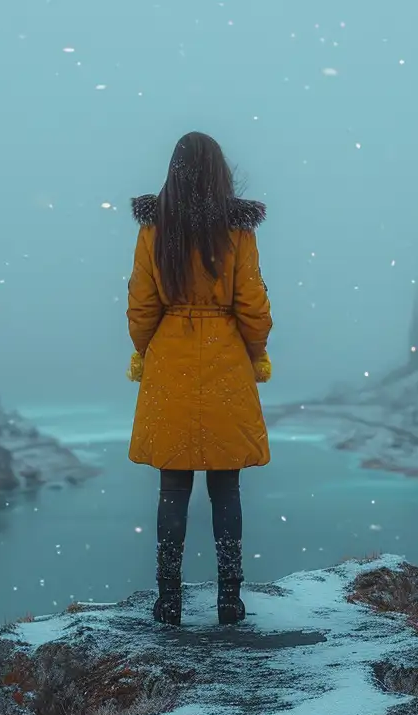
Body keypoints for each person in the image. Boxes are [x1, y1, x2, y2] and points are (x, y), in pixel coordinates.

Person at [127, 131, 273, 627]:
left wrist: (143, 351)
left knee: (173, 488)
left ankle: (168, 601)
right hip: (226, 360)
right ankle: (229, 600)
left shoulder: (154, 229)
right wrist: (257, 354)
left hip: (170, 357)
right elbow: (251, 304)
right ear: (220, 173)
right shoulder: (236, 231)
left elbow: (141, 304)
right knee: (226, 488)